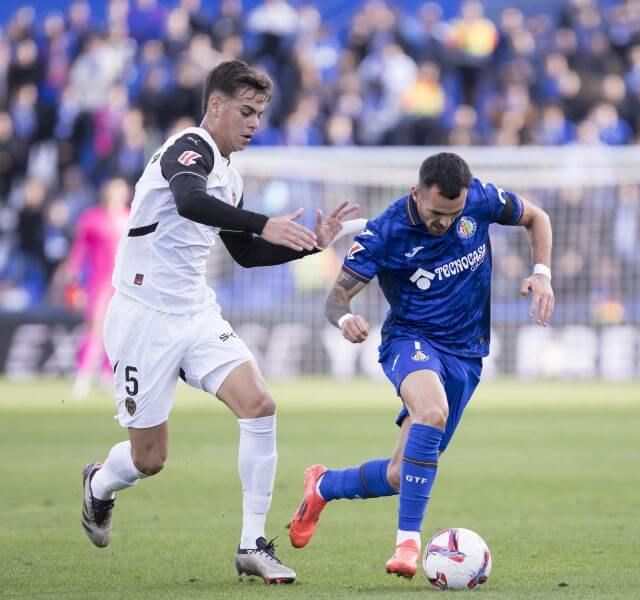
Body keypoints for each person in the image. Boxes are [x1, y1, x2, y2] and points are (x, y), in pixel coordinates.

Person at [80, 60, 361, 584]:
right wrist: (266, 223)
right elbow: (188, 201)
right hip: (144, 316)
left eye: (261, 114)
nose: (255, 124)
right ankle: (99, 484)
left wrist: (310, 246)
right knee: (150, 458)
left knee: (260, 404)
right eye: (246, 111)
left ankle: (252, 544)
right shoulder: (189, 148)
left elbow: (247, 254)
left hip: (195, 311)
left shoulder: (230, 177)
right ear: (216, 105)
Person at [288, 152, 554, 579]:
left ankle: (322, 486)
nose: (445, 223)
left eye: (453, 214)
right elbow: (335, 297)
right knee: (430, 411)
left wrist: (542, 272)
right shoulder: (385, 232)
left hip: (467, 354)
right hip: (410, 341)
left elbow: (536, 217)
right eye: (435, 213)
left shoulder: (480, 199)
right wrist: (345, 318)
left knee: (399, 474)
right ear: (417, 193)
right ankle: (407, 545)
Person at [53, 178, 130, 399]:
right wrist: (73, 280)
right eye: (113, 190)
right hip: (98, 283)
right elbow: (79, 251)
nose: (116, 194)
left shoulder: (130, 217)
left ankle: (109, 375)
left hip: (124, 285)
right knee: (95, 328)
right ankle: (83, 375)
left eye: (120, 191)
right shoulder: (92, 218)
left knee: (117, 331)